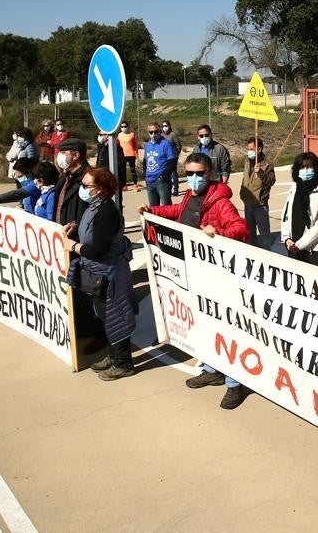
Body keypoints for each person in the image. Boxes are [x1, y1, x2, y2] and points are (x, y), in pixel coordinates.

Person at [140, 153, 250, 409]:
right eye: (189, 173)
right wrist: (152, 210)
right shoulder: (191, 196)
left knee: (224, 329)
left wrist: (218, 232)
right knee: (201, 325)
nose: (194, 178)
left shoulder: (221, 202)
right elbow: (177, 210)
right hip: (193, 275)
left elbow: (242, 228)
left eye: (199, 173)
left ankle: (234, 384)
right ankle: (212, 370)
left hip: (216, 278)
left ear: (210, 173)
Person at [64, 166, 136, 381]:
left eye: (87, 186)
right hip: (101, 273)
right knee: (105, 317)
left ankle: (123, 363)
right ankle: (113, 356)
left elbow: (97, 248)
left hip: (110, 274)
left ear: (100, 189)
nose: (83, 189)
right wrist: (76, 227)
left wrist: (73, 246)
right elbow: (93, 233)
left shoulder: (107, 211)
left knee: (117, 317)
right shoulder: (95, 206)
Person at [280, 152, 318, 267]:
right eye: (302, 167)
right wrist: (287, 239)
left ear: (316, 168)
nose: (305, 170)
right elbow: (286, 216)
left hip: (312, 251)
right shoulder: (294, 188)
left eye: (308, 167)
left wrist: (300, 245)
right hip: (292, 246)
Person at [241, 136, 276, 249]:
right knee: (250, 233)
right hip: (247, 202)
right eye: (248, 149)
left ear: (259, 149)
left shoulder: (267, 165)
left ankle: (266, 253)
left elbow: (271, 181)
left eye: (252, 149)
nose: (249, 152)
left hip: (260, 205)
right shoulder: (247, 161)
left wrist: (260, 172)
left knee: (264, 234)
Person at [141, 121, 176, 207]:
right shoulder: (147, 145)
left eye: (155, 131)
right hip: (149, 181)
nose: (153, 134)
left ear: (160, 132)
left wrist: (163, 176)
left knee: (166, 207)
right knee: (153, 209)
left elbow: (172, 162)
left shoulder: (166, 144)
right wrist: (145, 174)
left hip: (162, 181)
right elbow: (145, 160)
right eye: (151, 132)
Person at [116, 121, 140, 191]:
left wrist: (137, 154)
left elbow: (135, 145)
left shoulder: (132, 134)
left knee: (133, 170)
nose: (123, 128)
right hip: (122, 155)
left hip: (131, 154)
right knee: (123, 171)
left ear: (128, 127)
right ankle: (124, 185)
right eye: (122, 127)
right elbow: (117, 144)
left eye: (125, 126)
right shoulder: (119, 135)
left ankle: (135, 185)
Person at [160, 120, 181, 196]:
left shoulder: (173, 135)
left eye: (166, 126)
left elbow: (178, 145)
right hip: (164, 158)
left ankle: (176, 189)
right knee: (166, 173)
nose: (164, 127)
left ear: (169, 126)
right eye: (163, 126)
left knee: (173, 173)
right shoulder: (161, 135)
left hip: (173, 157)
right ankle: (168, 189)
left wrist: (176, 155)